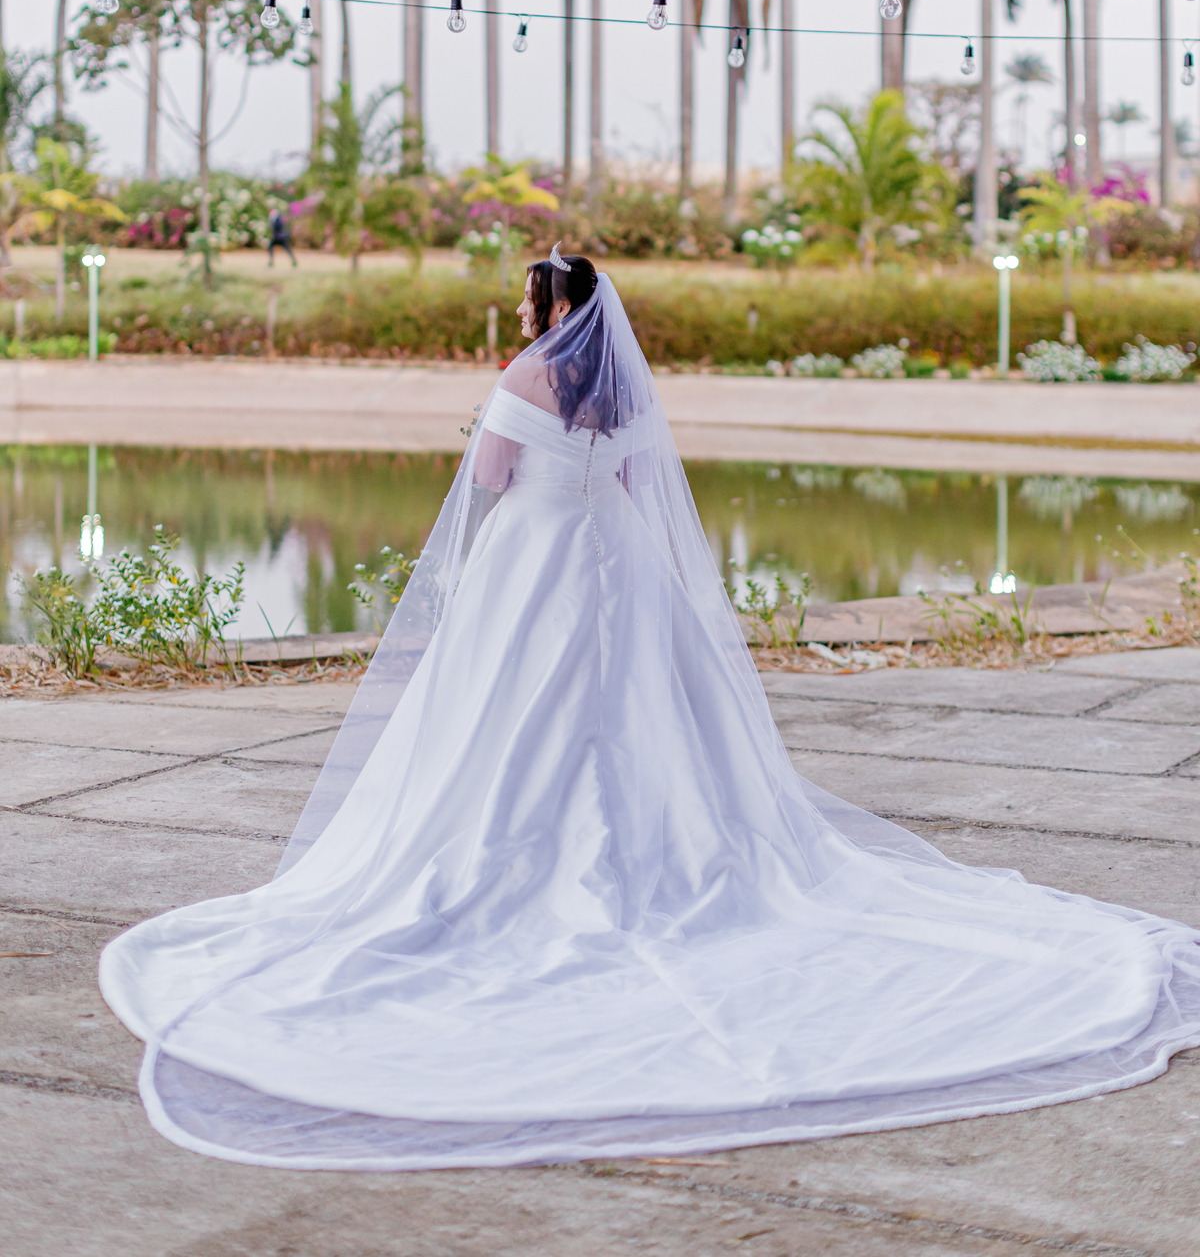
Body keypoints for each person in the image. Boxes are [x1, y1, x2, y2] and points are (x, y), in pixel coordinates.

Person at [99, 247, 1200, 1170]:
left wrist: (491, 455)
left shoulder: (525, 375)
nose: (522, 313)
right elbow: (634, 487)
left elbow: (486, 482)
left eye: (529, 299)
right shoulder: (622, 387)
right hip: (616, 561)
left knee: (507, 715)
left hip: (534, 558)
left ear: (551, 307)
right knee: (641, 711)